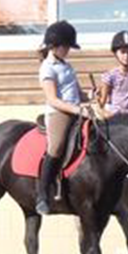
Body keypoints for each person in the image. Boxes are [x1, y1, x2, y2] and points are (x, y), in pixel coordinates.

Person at [36, 20, 88, 215]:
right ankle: (42, 193)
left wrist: (91, 96)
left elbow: (78, 93)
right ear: (54, 46)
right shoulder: (47, 68)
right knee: (56, 148)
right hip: (59, 113)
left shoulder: (67, 66)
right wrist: (76, 111)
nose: (68, 50)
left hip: (76, 110)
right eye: (66, 46)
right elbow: (53, 99)